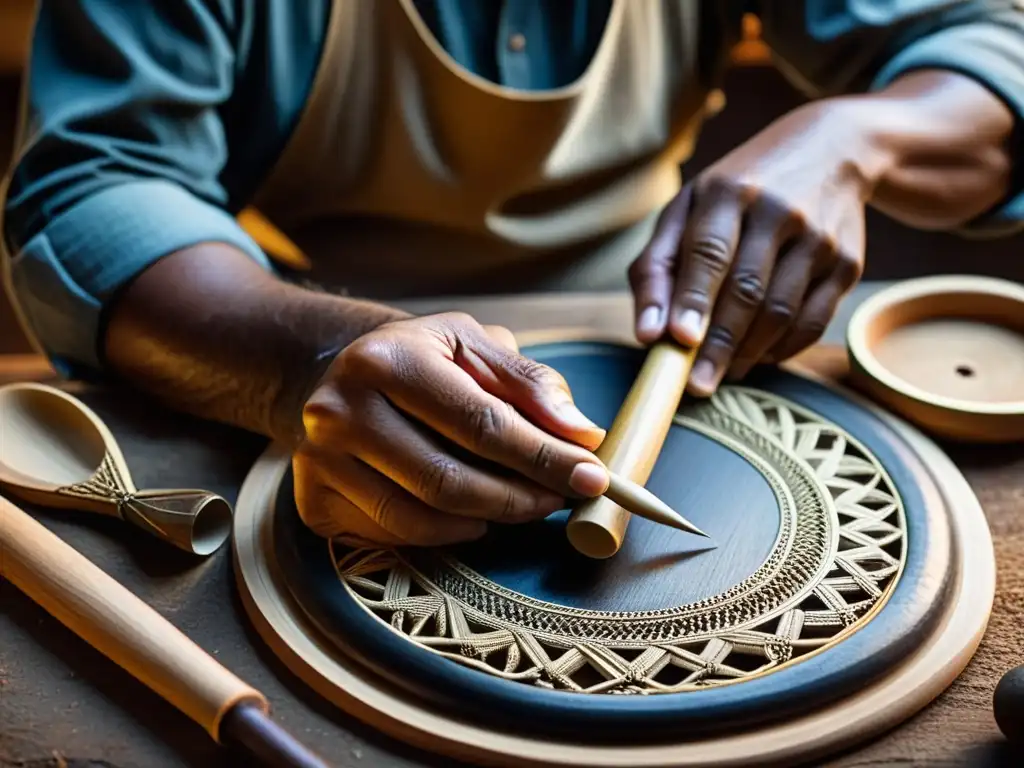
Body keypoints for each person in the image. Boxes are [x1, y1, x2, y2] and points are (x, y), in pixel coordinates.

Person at [2, 1, 1021, 546]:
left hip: (660, 304)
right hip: (320, 343)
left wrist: (856, 140)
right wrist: (307, 356)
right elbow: (92, 188)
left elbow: (993, 44)